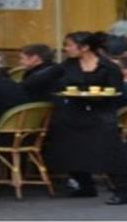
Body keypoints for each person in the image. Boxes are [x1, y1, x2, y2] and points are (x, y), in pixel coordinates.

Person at [45, 31, 127, 204]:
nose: (65, 49)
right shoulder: (68, 65)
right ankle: (84, 184)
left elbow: (118, 93)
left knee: (110, 150)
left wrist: (100, 96)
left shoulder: (108, 67)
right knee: (69, 145)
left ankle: (122, 189)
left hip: (101, 112)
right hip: (75, 111)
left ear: (85, 48)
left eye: (69, 45)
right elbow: (46, 78)